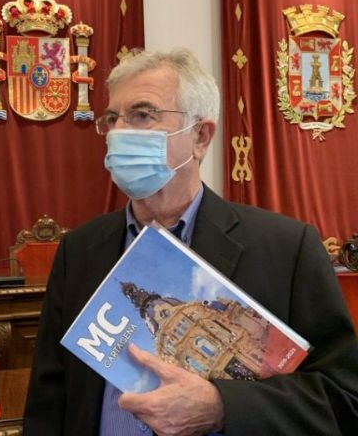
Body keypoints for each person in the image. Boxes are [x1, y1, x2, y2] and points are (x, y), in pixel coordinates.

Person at [23, 48, 358, 435]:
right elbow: (48, 401)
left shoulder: (286, 248)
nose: (118, 132)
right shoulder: (79, 250)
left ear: (200, 136)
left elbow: (343, 398)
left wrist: (222, 406)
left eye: (142, 114)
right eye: (112, 118)